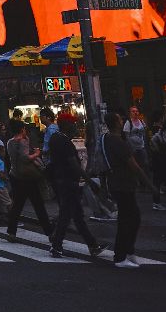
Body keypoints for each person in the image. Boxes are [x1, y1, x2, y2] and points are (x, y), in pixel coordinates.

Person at [46, 112, 102, 259]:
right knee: (68, 214)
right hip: (68, 181)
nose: (75, 126)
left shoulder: (54, 138)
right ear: (66, 125)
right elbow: (73, 164)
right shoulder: (64, 141)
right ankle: (56, 245)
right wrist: (89, 181)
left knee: (76, 215)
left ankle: (92, 244)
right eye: (72, 123)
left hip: (61, 180)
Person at [103, 112, 154, 268]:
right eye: (120, 119)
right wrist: (150, 184)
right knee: (128, 219)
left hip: (118, 183)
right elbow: (134, 165)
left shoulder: (107, 139)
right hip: (123, 184)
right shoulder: (118, 142)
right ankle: (120, 256)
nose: (122, 120)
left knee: (131, 217)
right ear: (117, 123)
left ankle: (128, 250)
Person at [3, 123, 50, 240]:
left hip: (15, 174)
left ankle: (11, 231)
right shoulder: (23, 141)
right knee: (38, 205)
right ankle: (50, 232)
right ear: (22, 129)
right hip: (27, 177)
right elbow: (25, 158)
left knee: (17, 205)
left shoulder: (9, 142)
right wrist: (36, 154)